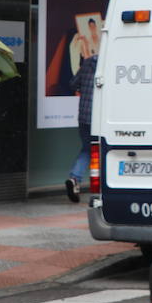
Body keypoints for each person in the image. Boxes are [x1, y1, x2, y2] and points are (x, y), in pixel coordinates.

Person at [66, 45, 97, 203]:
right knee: (103, 152)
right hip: (101, 119)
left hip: (84, 117)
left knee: (87, 149)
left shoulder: (87, 63)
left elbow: (72, 83)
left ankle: (75, 178)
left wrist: (83, 88)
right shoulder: (111, 64)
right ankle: (102, 186)